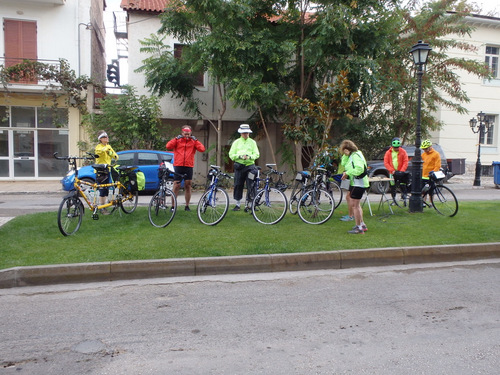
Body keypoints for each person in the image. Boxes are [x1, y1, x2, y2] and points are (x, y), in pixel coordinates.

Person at [166, 125, 206, 211]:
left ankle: (187, 205)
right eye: (185, 134)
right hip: (178, 165)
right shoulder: (178, 140)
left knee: (188, 185)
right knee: (176, 185)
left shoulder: (193, 141)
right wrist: (176, 139)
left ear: (191, 133)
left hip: (188, 165)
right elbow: (168, 146)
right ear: (182, 132)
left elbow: (202, 149)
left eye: (188, 134)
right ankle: (173, 206)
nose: (187, 135)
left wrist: (196, 140)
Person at [339, 140, 369, 234]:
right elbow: (343, 164)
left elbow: (359, 169)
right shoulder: (353, 155)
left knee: (355, 206)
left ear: (347, 149)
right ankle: (362, 224)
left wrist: (348, 173)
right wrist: (345, 155)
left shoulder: (355, 156)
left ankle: (359, 227)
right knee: (356, 205)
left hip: (358, 183)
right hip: (356, 182)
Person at [229, 124, 260, 211]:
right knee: (238, 184)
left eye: (246, 133)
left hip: (250, 166)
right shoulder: (236, 142)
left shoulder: (253, 142)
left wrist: (249, 157)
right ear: (241, 133)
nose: (245, 134)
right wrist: (240, 156)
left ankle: (250, 204)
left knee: (251, 185)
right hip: (239, 166)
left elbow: (256, 154)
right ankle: (237, 204)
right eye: (243, 133)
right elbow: (231, 155)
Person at [95, 130, 119, 215]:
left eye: (107, 136)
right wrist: (106, 149)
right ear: (100, 139)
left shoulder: (109, 146)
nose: (107, 138)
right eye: (105, 137)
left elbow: (116, 156)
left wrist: (111, 152)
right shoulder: (98, 146)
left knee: (107, 188)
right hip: (100, 171)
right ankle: (102, 208)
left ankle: (104, 206)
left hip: (107, 170)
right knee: (102, 189)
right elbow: (100, 151)